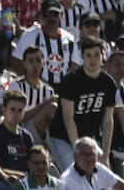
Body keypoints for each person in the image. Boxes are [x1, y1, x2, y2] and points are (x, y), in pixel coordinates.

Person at [49, 35, 117, 172]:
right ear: (82, 57)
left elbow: (108, 121)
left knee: (105, 175)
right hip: (62, 138)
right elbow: (68, 119)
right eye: (89, 55)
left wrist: (105, 154)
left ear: (103, 56)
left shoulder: (108, 83)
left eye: (96, 55)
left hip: (87, 138)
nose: (93, 59)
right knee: (75, 174)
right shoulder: (71, 80)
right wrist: (79, 152)